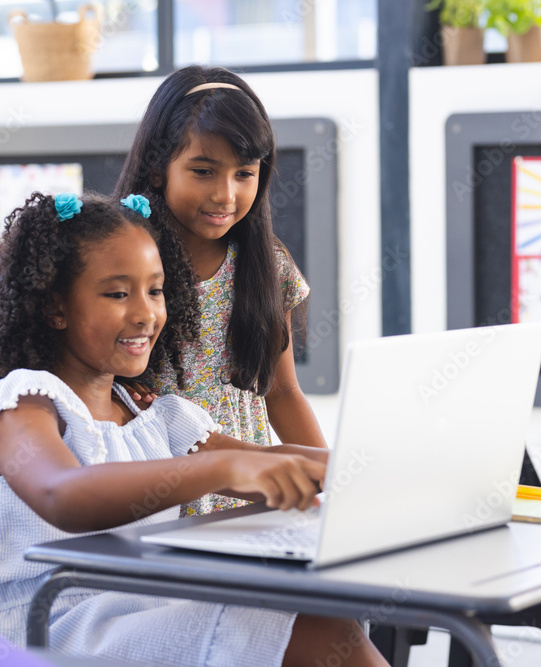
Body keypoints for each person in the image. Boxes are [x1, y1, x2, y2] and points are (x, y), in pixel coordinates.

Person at [0, 191, 387, 666]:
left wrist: (373, 470)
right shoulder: (18, 404)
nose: (145, 313)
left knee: (320, 618)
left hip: (130, 616)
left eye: (154, 290)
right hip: (33, 634)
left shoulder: (152, 417)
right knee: (310, 629)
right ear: (55, 306)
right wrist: (224, 468)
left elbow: (272, 462)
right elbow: (62, 494)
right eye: (118, 293)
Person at [114, 65, 328, 516]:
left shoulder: (266, 264)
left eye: (244, 174)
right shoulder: (124, 262)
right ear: (157, 169)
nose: (225, 194)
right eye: (204, 170)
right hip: (154, 496)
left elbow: (283, 392)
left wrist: (330, 489)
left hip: (250, 498)